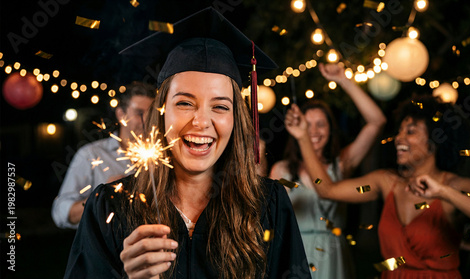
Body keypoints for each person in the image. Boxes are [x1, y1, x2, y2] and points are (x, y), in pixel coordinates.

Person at [63, 7, 311, 279]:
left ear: (236, 120)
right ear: (160, 112)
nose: (201, 122)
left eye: (220, 107)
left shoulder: (268, 205)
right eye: (184, 103)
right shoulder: (110, 207)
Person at [285, 95, 470, 278]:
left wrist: (444, 193)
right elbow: (327, 190)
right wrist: (303, 137)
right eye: (400, 131)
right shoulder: (386, 182)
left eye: (411, 131)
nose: (399, 138)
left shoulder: (456, 185)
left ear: (435, 141)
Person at [269, 63, 386, 279]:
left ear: (331, 129)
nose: (313, 131)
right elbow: (270, 217)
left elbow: (377, 121)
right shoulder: (282, 169)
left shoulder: (341, 164)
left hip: (332, 255)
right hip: (294, 252)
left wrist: (344, 80)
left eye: (321, 124)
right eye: (308, 124)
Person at [51, 81, 156, 229]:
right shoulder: (91, 155)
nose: (147, 121)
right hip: (107, 249)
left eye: (151, 114)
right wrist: (101, 197)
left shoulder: (163, 157)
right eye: (139, 113)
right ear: (121, 114)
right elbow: (60, 213)